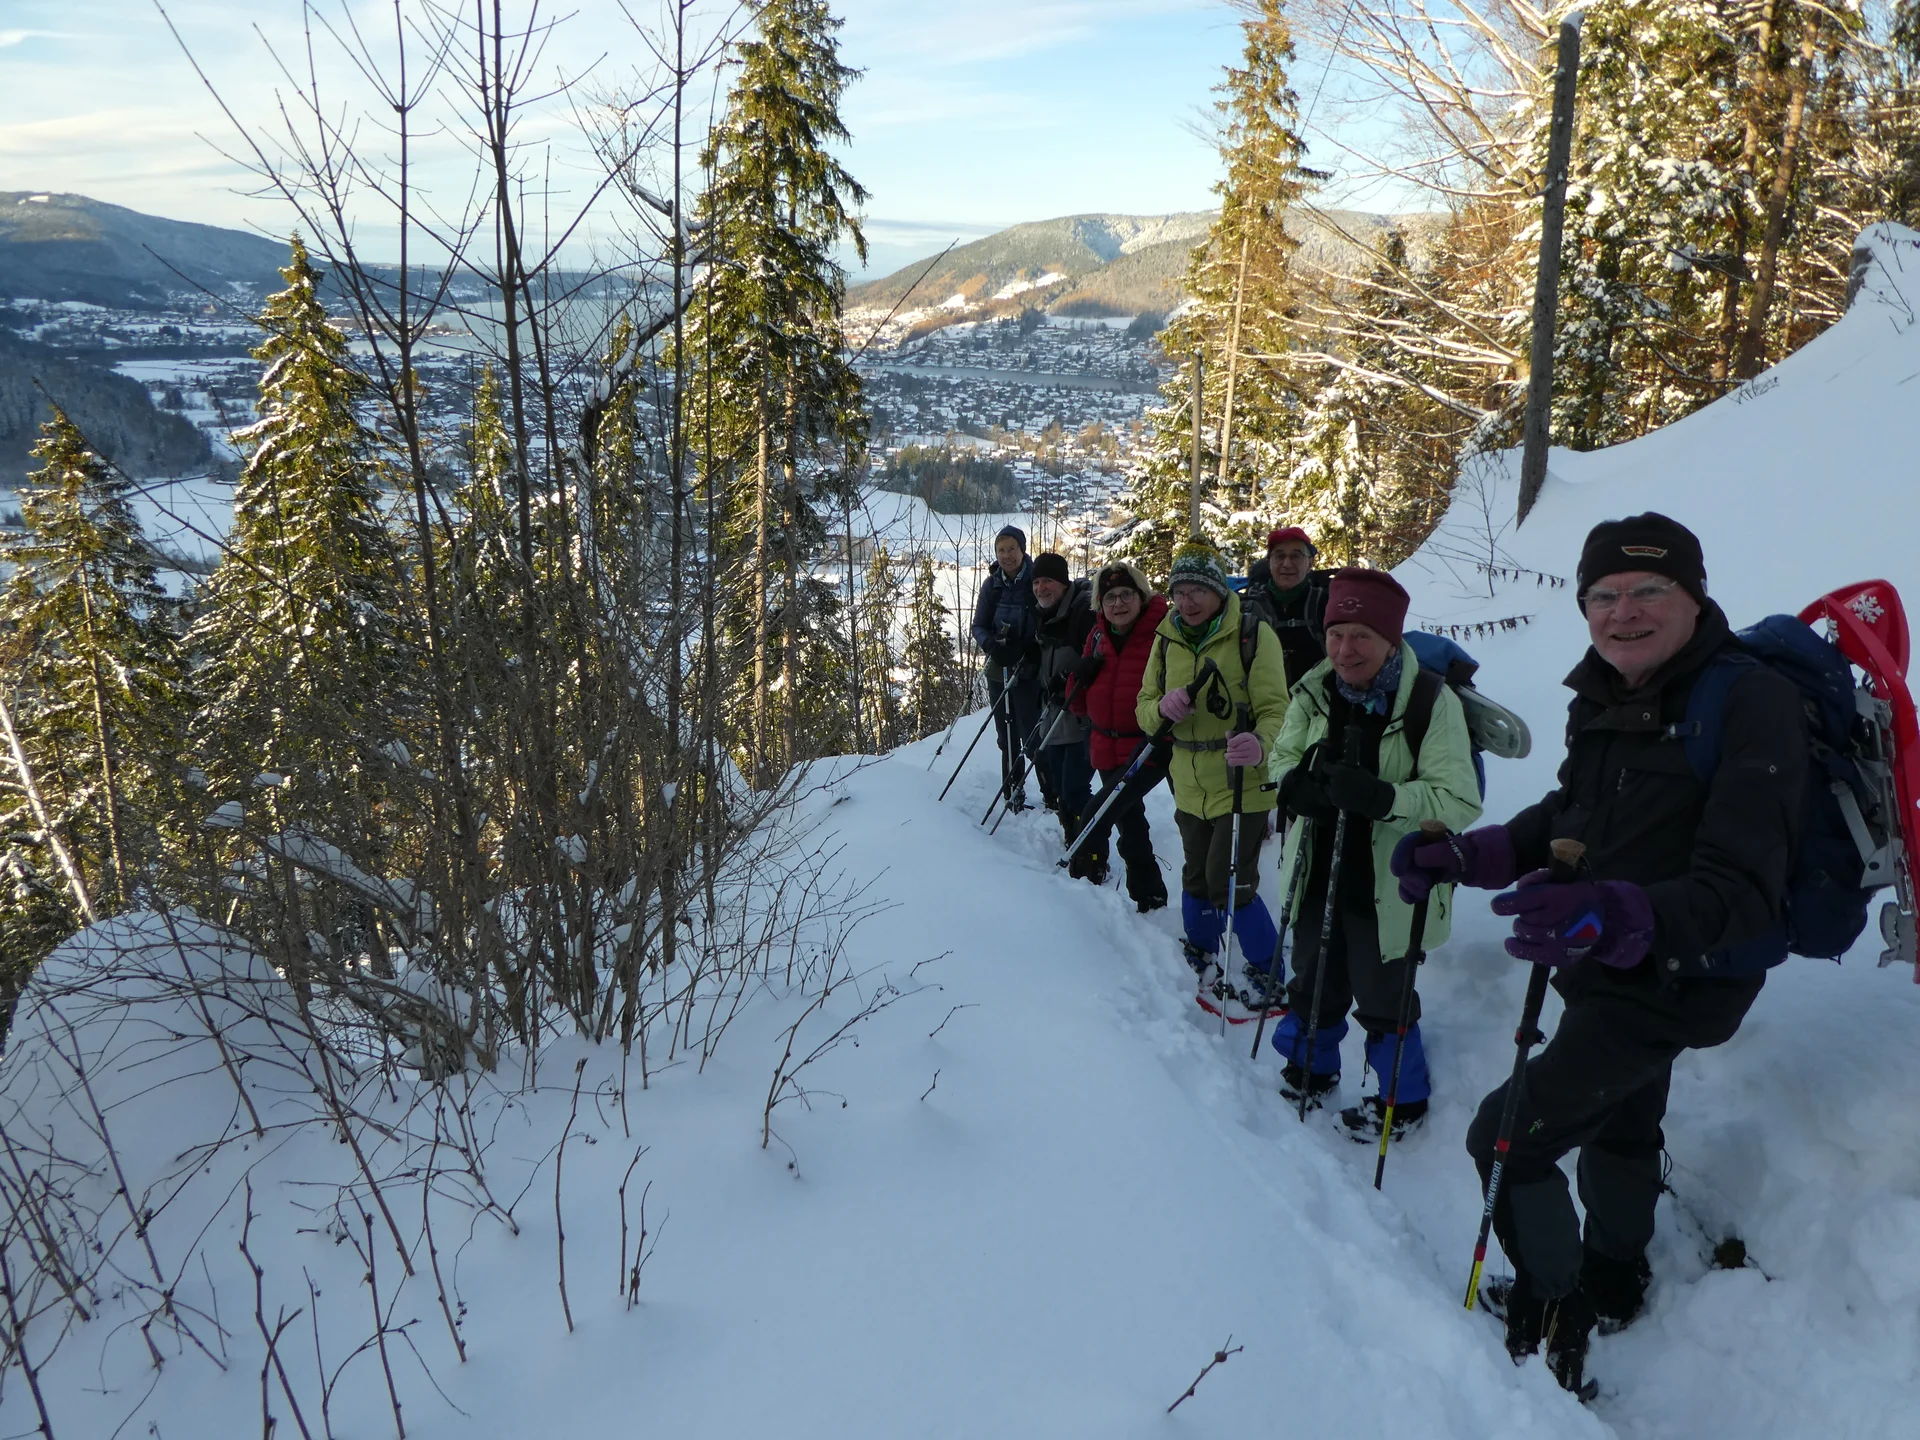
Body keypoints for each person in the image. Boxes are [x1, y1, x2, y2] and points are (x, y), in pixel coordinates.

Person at [1392, 513, 1806, 1395]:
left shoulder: (1747, 701)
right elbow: (1569, 818)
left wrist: (1607, 917)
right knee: (1622, 1117)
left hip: (1679, 976)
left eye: (1650, 590)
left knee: (1506, 1138)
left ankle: (1558, 1298)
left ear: (1695, 598)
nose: (1625, 612)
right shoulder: (1609, 695)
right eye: (1604, 595)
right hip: (1606, 960)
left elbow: (1741, 888)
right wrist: (1474, 855)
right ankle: (1618, 1272)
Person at [1266, 568, 1483, 1129]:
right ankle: (1310, 1068)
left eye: (1361, 635)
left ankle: (1402, 1099)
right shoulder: (1314, 690)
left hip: (1391, 880)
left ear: (1391, 638)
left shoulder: (1431, 704)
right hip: (1317, 867)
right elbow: (1283, 753)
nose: (1344, 649)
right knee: (1312, 974)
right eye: (1336, 634)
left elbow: (1459, 799)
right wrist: (1294, 785)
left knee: (1384, 993)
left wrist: (1384, 797)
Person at [1136, 539, 1290, 1021]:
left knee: (1232, 880)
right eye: (1179, 591)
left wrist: (1261, 743)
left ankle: (1268, 970)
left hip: (1242, 779)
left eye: (1198, 590)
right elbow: (1143, 707)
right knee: (1197, 872)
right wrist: (1160, 708)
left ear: (1219, 590)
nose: (1188, 600)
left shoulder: (1250, 633)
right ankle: (1200, 947)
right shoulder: (1165, 638)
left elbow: (1277, 708)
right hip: (1188, 778)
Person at [1065, 561, 1170, 908]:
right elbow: (1077, 704)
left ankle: (1076, 887)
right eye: (1109, 597)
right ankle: (1147, 896)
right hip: (1106, 743)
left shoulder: (1163, 633)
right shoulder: (1098, 636)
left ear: (1141, 596)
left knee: (1097, 815)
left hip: (1149, 745)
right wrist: (1078, 677)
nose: (1118, 604)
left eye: (1126, 594)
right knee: (1129, 823)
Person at [970, 525, 1049, 812]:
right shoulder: (992, 585)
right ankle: (1013, 792)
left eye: (1011, 549)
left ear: (1022, 549)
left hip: (1029, 670)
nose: (1006, 555)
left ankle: (1050, 791)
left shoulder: (1037, 581)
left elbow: (1049, 621)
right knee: (1006, 735)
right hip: (999, 668)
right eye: (1001, 550)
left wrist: (1033, 648)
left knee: (1032, 734)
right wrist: (989, 643)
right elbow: (978, 625)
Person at [1030, 552, 1097, 854]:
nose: (1042, 588)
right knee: (1060, 785)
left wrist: (1070, 677)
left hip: (1081, 716)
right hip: (1054, 712)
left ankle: (1092, 854)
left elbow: (1098, 657)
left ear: (1063, 582)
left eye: (1049, 581)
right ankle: (1074, 839)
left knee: (1075, 787)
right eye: (1037, 581)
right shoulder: (1045, 613)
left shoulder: (1083, 611)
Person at [1241, 526, 1328, 690]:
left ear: (1310, 563)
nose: (1287, 564)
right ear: (1269, 562)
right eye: (1280, 556)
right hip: (1262, 707)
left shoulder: (1325, 603)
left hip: (1317, 708)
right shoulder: (1249, 607)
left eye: (1296, 556)